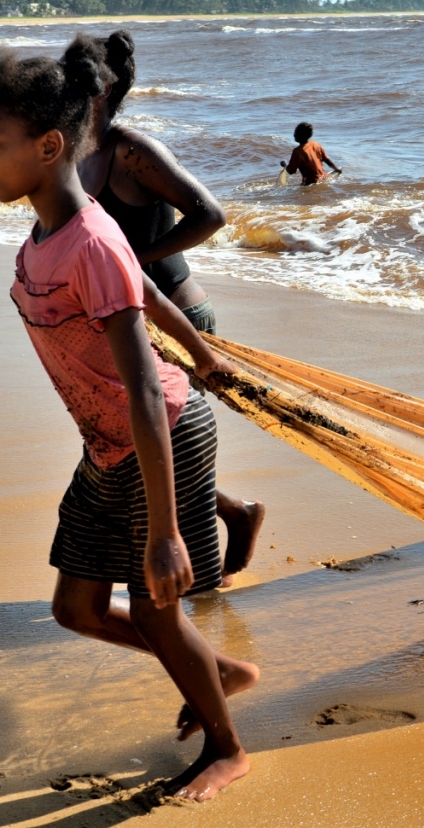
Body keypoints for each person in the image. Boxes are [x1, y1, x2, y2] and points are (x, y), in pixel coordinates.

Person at [0, 38, 256, 802]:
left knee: (161, 609)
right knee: (76, 608)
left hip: (153, 432)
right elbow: (150, 294)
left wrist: (165, 533)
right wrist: (202, 352)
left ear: (49, 145)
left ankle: (227, 746)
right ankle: (217, 671)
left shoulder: (88, 240)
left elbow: (138, 382)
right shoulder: (55, 227)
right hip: (108, 445)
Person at [76, 31, 263, 587]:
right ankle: (232, 512)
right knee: (139, 444)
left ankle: (215, 539)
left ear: (102, 90)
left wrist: (136, 258)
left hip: (176, 317)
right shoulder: (77, 154)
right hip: (130, 319)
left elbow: (211, 215)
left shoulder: (132, 150)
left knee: (166, 443)